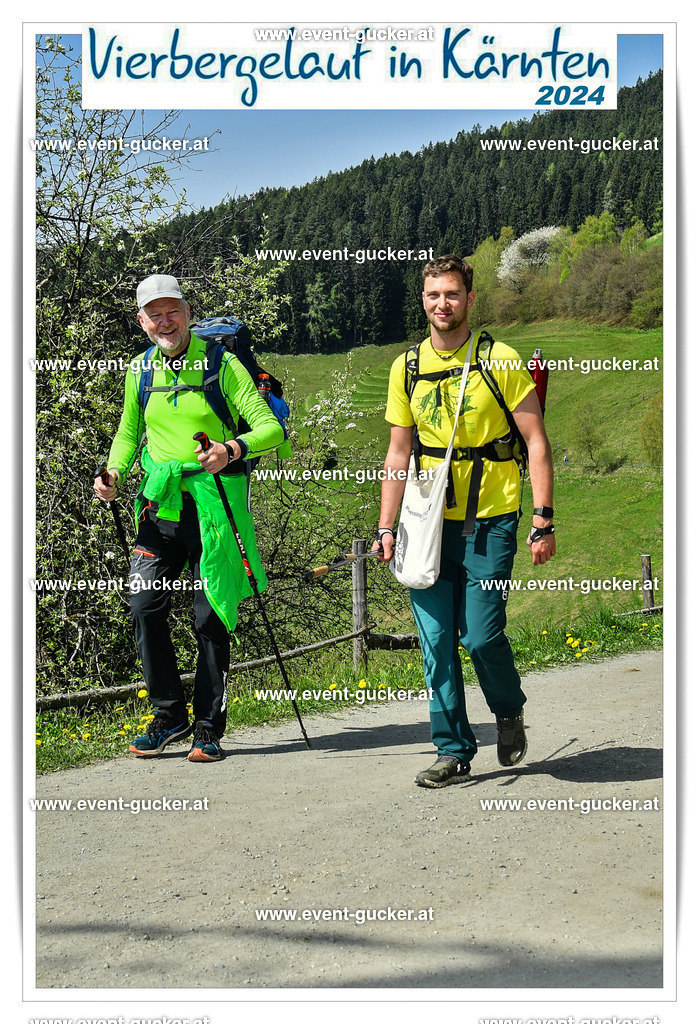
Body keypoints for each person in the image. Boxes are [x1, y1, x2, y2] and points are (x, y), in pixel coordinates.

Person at [374, 255, 556, 787]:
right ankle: (452, 749)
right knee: (435, 640)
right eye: (433, 295)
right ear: (423, 300)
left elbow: (537, 442)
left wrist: (542, 519)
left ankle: (506, 709)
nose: (442, 304)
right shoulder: (405, 366)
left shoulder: (500, 358)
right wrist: (386, 527)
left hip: (491, 517)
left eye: (451, 294)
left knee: (479, 635)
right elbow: (396, 455)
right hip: (425, 521)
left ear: (470, 300)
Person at [94, 274, 284, 762]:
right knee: (143, 605)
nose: (164, 321)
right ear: (142, 322)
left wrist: (232, 448)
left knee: (211, 612)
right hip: (162, 503)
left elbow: (272, 427)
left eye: (172, 310)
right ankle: (168, 716)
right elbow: (127, 432)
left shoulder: (221, 364)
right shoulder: (139, 370)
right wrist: (113, 471)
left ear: (186, 311)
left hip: (215, 505)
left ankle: (207, 726)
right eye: (153, 314)